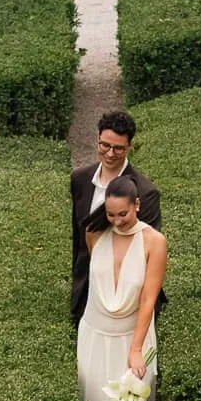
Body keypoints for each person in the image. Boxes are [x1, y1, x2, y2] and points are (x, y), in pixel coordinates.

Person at [77, 170, 165, 401]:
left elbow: (148, 298)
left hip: (133, 339)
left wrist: (134, 350)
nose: (117, 221)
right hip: (94, 337)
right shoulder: (94, 233)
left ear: (137, 206)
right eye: (112, 215)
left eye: (123, 215)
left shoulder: (154, 241)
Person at [70, 110, 161, 323]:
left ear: (129, 146)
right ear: (98, 140)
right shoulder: (80, 179)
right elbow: (78, 239)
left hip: (127, 296)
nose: (110, 154)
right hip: (88, 291)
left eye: (118, 148)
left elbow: (148, 253)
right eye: (105, 145)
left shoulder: (145, 193)